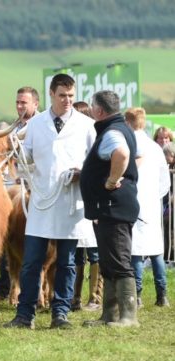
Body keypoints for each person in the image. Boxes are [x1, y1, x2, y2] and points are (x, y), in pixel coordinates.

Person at [4, 73, 96, 329]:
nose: (67, 100)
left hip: (69, 201)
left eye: (71, 96)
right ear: (52, 95)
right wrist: (19, 153)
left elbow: (95, 162)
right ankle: (25, 314)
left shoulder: (86, 125)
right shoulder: (35, 125)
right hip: (42, 201)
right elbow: (27, 159)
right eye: (62, 95)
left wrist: (82, 173)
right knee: (31, 260)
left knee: (67, 262)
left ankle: (60, 314)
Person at [80, 90, 140, 327]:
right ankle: (109, 315)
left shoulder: (112, 131)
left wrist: (111, 180)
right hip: (110, 207)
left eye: (93, 107)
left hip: (113, 206)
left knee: (119, 261)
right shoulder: (119, 127)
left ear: (99, 111)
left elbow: (122, 154)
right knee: (109, 260)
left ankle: (128, 317)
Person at [0, 86, 40, 302]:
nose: (20, 106)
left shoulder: (43, 126)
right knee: (5, 237)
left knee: (37, 242)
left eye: (24, 103)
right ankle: (5, 286)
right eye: (18, 102)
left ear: (35, 104)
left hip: (36, 191)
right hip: (11, 189)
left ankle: (38, 289)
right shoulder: (11, 128)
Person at [125, 107, 170, 307]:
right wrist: (155, 197)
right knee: (156, 250)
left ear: (128, 122)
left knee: (135, 250)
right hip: (152, 204)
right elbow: (165, 182)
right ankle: (162, 295)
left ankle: (138, 294)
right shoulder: (155, 148)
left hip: (133, 202)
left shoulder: (129, 145)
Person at [70, 101, 102, 312]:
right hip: (75, 202)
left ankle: (95, 297)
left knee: (94, 252)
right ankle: (75, 298)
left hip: (93, 201)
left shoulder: (96, 140)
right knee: (78, 252)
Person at [162, 143, 175, 265]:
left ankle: (170, 256)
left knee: (171, 231)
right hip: (169, 206)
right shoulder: (169, 167)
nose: (164, 158)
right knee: (167, 230)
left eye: (165, 155)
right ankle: (167, 256)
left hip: (171, 206)